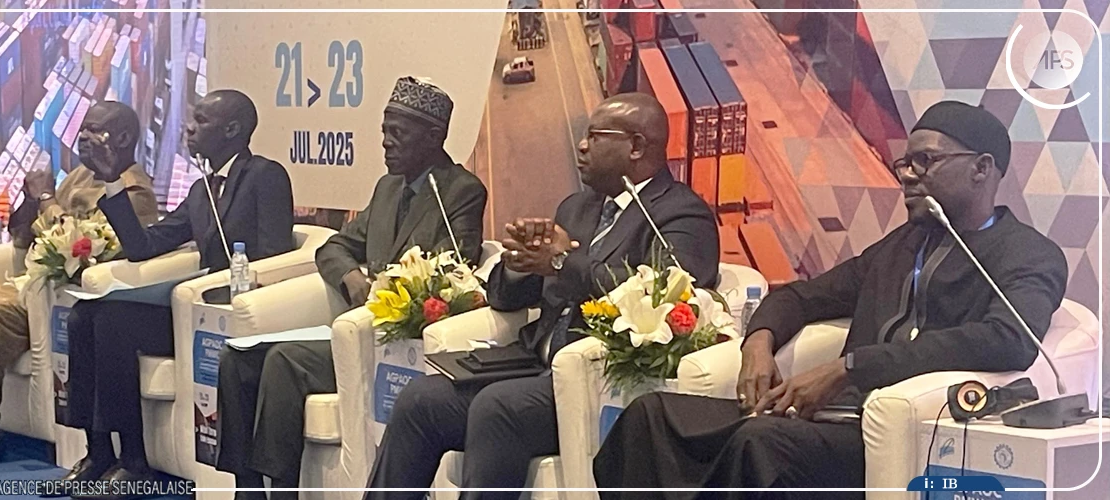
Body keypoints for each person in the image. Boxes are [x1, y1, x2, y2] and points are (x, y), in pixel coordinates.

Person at [592, 101, 1069, 499]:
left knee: (761, 443)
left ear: (982, 169)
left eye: (926, 162)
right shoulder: (901, 246)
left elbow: (1008, 340)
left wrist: (850, 368)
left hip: (891, 436)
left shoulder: (1028, 254)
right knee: (651, 415)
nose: (908, 176)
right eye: (905, 164)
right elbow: (804, 296)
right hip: (822, 419)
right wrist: (757, 343)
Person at [363, 93, 720, 500]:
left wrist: (562, 262)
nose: (581, 146)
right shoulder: (577, 208)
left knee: (498, 407)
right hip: (531, 365)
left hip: (598, 383)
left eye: (595, 136)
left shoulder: (680, 214)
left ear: (636, 146)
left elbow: (665, 295)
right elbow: (505, 297)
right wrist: (520, 263)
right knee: (421, 399)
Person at [214, 76, 487, 500]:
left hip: (398, 343)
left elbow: (453, 270)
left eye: (398, 133)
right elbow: (335, 246)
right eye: (384, 131)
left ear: (434, 136)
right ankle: (247, 490)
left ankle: (284, 491)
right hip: (356, 333)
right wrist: (350, 277)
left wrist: (391, 290)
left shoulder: (460, 191)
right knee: (237, 359)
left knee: (285, 361)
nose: (386, 142)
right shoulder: (388, 187)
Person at [56, 89, 295, 496]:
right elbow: (143, 246)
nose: (189, 128)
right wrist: (112, 180)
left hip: (237, 310)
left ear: (232, 130)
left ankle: (135, 461)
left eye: (201, 121)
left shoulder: (264, 176)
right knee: (87, 316)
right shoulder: (202, 189)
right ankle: (100, 451)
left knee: (112, 323)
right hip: (194, 313)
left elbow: (274, 256)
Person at [0, 101, 158, 468]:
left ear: (122, 139)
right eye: (83, 129)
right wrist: (30, 201)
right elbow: (25, 236)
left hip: (59, 301)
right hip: (27, 286)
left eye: (95, 130)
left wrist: (47, 199)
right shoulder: (79, 176)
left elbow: (81, 251)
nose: (84, 137)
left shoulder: (135, 192)